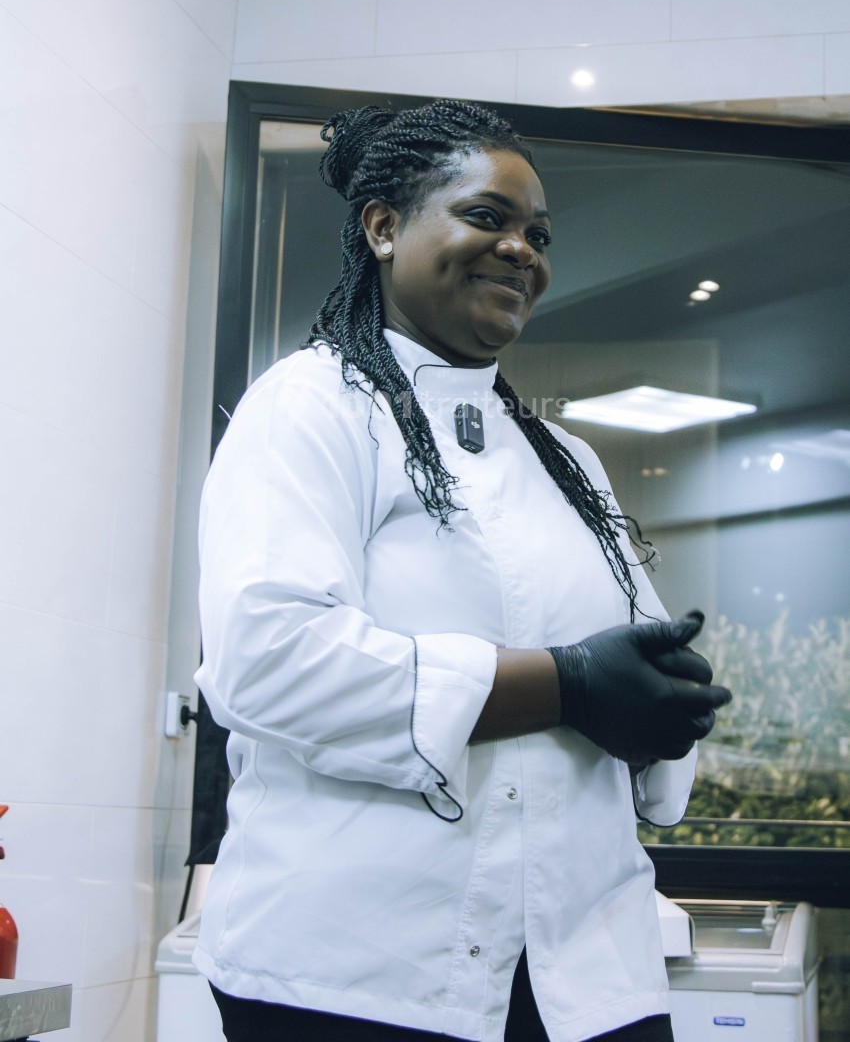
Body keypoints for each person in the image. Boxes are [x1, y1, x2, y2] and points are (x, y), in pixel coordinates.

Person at [193, 99, 732, 1042]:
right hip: (355, 975)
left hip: (587, 971)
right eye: (488, 218)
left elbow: (632, 662)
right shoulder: (310, 408)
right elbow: (269, 658)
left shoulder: (564, 458)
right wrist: (566, 685)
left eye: (538, 234)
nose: (522, 249)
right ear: (385, 226)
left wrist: (661, 706)